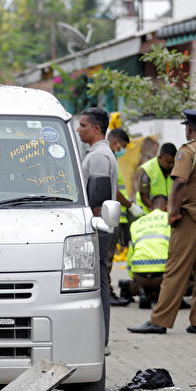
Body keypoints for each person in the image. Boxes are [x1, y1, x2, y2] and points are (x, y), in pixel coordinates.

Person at [128, 110, 196, 334]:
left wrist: (173, 213)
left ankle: (160, 320)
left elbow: (179, 183)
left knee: (175, 269)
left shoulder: (188, 150)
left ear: (189, 128)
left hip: (189, 216)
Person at [77, 107, 118, 349]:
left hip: (98, 227)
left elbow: (98, 199)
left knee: (99, 281)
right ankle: (98, 337)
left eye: (83, 125)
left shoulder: (99, 156)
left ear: (96, 128)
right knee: (99, 279)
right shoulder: (96, 153)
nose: (79, 129)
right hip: (100, 225)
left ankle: (100, 339)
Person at [108, 127, 141, 307]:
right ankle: (108, 294)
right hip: (110, 217)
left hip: (115, 217)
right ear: (116, 143)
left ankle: (108, 292)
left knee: (109, 258)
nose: (123, 151)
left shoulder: (112, 158)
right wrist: (130, 206)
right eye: (123, 147)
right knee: (107, 259)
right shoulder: (108, 159)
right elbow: (114, 190)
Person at [120, 195, 170, 314]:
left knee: (145, 281)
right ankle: (158, 294)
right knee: (187, 284)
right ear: (167, 207)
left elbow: (130, 254)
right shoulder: (170, 219)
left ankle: (141, 289)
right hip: (162, 275)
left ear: (149, 208)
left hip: (139, 274)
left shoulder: (137, 223)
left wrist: (134, 276)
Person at [136, 143, 176, 213]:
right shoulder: (147, 170)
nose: (171, 165)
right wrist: (158, 211)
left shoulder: (176, 168)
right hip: (147, 212)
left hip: (167, 212)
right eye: (168, 162)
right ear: (160, 157)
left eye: (173, 162)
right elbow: (144, 198)